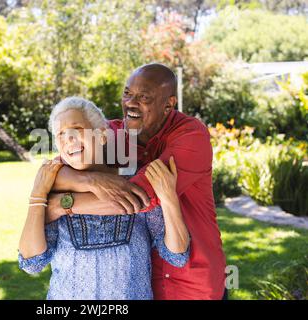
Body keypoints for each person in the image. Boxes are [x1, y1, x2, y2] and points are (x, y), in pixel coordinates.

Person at [46, 64, 227, 300]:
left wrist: (62, 206)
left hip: (192, 282)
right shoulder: (113, 133)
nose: (131, 103)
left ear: (169, 104)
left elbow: (137, 198)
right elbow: (54, 170)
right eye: (127, 93)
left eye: (144, 97)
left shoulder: (190, 135)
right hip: (141, 284)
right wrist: (91, 180)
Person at [18, 97, 190, 300]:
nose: (68, 138)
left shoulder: (135, 182)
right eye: (60, 134)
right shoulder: (53, 189)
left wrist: (169, 198)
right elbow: (31, 262)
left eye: (76, 128)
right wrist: (38, 195)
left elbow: (177, 256)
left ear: (101, 136)